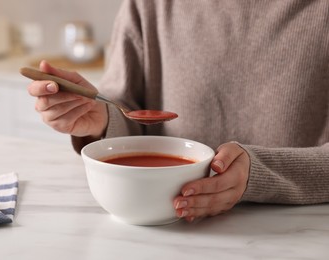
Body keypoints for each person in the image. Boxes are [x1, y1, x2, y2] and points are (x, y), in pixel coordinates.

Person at [27, 0, 329, 222]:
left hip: (294, 234)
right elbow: (128, 109)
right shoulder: (148, 6)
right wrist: (101, 122)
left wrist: (261, 172)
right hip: (162, 230)